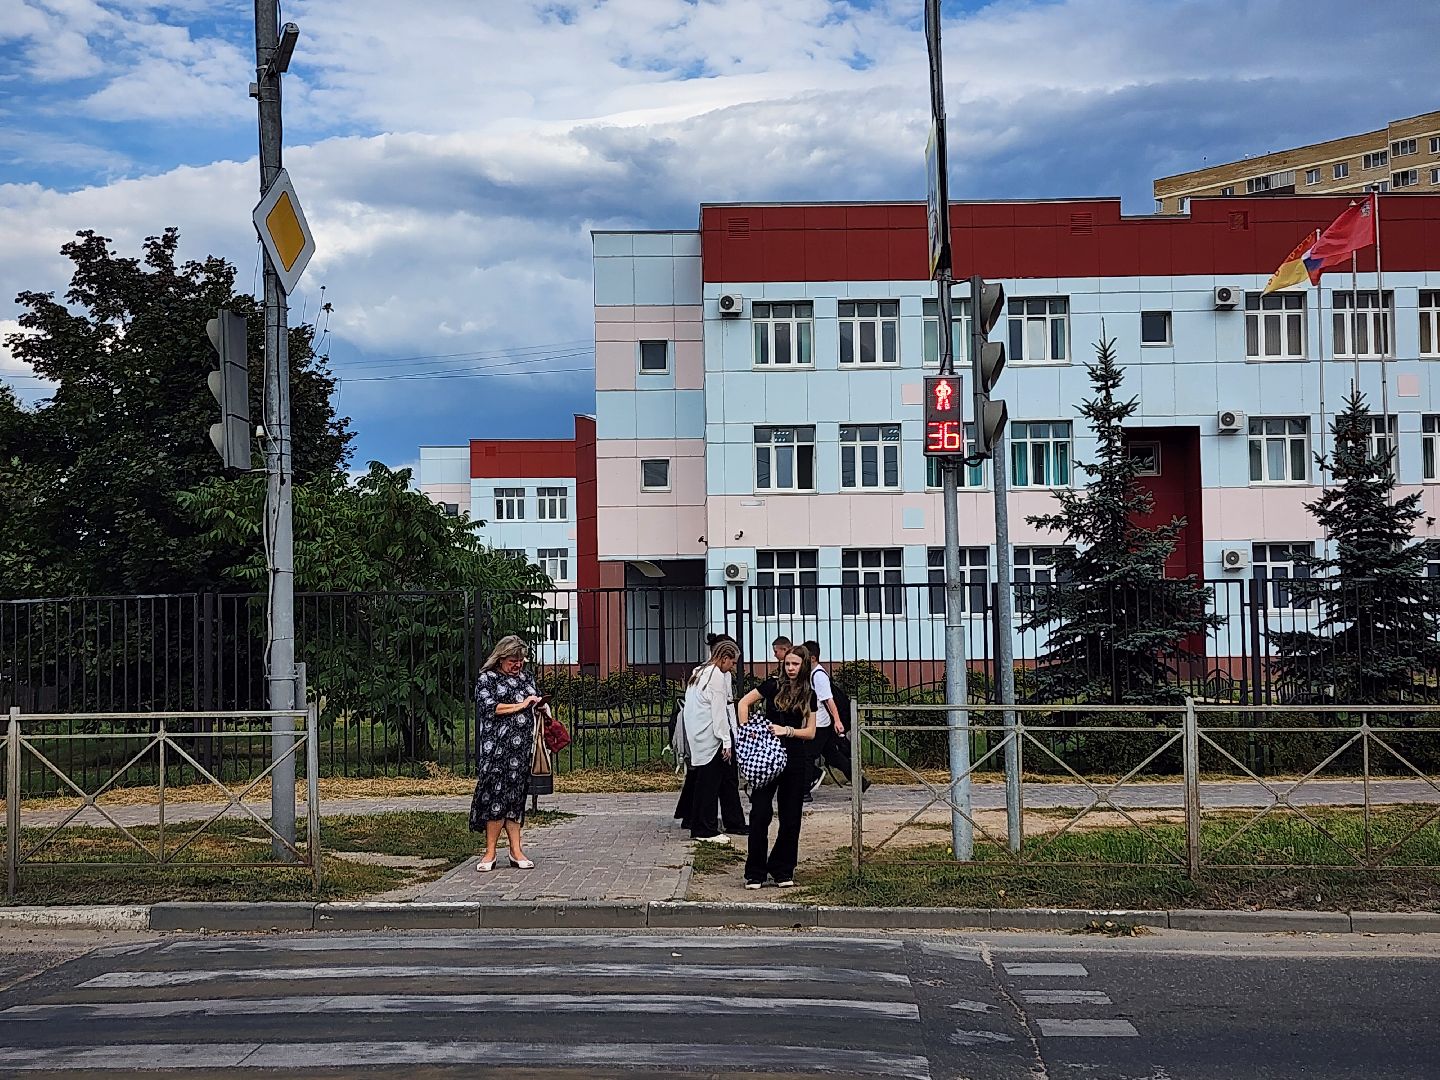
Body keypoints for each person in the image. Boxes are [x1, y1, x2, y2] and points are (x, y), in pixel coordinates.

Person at [736, 645, 818, 889]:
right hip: (767, 756)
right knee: (760, 813)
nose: (790, 668)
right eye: (788, 663)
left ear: (804, 665)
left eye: (795, 664)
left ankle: (783, 868)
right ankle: (755, 871)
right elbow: (743, 703)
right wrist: (748, 731)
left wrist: (788, 731)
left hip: (794, 757)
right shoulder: (772, 685)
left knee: (791, 817)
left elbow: (811, 732)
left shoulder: (809, 694)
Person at [469, 635, 541, 873]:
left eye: (520, 660)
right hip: (496, 750)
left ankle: (515, 849)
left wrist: (540, 706)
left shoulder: (525, 678)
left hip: (520, 752)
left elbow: (534, 701)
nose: (517, 665)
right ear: (500, 658)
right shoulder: (487, 679)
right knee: (494, 799)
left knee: (516, 798)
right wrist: (522, 705)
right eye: (513, 660)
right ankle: (490, 851)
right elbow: (490, 707)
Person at [674, 634, 747, 836]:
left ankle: (706, 823)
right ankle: (704, 829)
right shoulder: (716, 675)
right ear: (724, 657)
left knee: (709, 782)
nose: (732, 667)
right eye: (732, 662)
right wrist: (726, 740)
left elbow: (690, 708)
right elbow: (719, 711)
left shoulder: (699, 672)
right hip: (713, 737)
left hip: (699, 735)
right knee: (710, 785)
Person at [802, 640, 869, 794]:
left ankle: (805, 790)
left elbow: (828, 699)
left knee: (806, 755)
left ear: (812, 658)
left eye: (804, 656)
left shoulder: (818, 676)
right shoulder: (813, 673)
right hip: (821, 722)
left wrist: (837, 721)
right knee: (833, 756)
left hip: (820, 723)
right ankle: (860, 781)